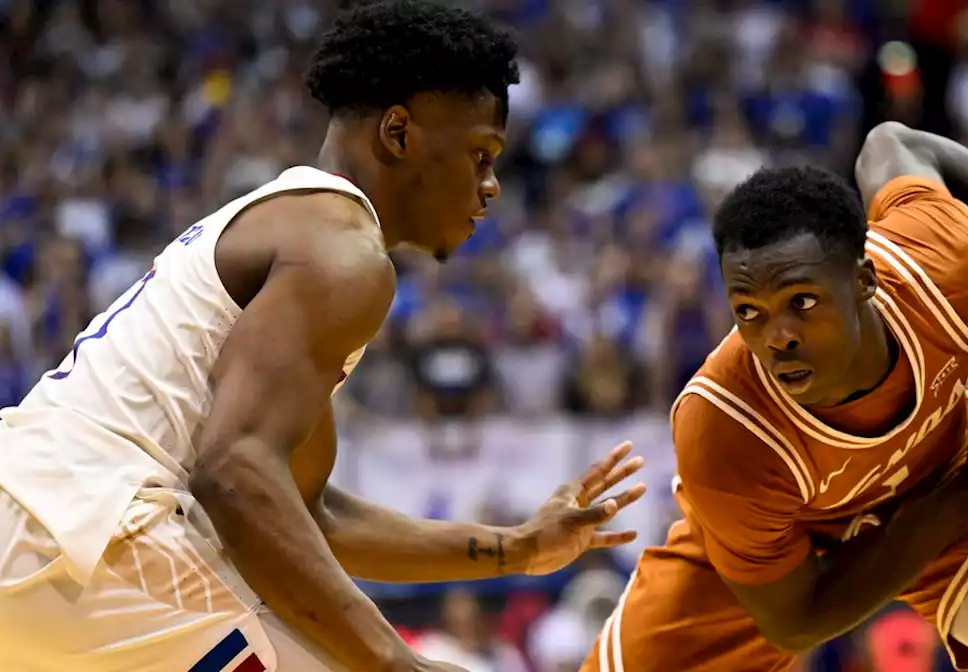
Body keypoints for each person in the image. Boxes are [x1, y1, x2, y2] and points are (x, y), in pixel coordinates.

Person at [0, 3, 647, 671]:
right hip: (85, 536)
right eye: (479, 156)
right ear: (399, 132)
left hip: (36, 526)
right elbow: (233, 474)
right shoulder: (342, 254)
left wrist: (514, 548)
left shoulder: (293, 222)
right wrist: (398, 661)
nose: (490, 187)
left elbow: (305, 517)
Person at [582, 121, 968, 672]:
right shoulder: (724, 428)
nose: (778, 336)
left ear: (864, 280)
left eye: (802, 302)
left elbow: (897, 141)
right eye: (749, 312)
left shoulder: (938, 266)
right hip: (774, 577)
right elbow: (799, 620)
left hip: (948, 473)